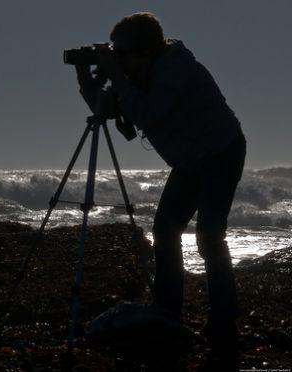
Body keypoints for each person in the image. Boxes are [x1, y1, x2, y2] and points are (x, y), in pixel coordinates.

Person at [76, 12, 246, 370]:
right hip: (190, 160)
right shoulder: (137, 73)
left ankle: (223, 326)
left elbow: (149, 114)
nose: (116, 59)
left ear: (144, 51)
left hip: (220, 151)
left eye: (120, 53)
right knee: (165, 229)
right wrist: (87, 81)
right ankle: (168, 310)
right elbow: (108, 108)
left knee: (209, 236)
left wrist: (118, 75)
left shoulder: (175, 69)